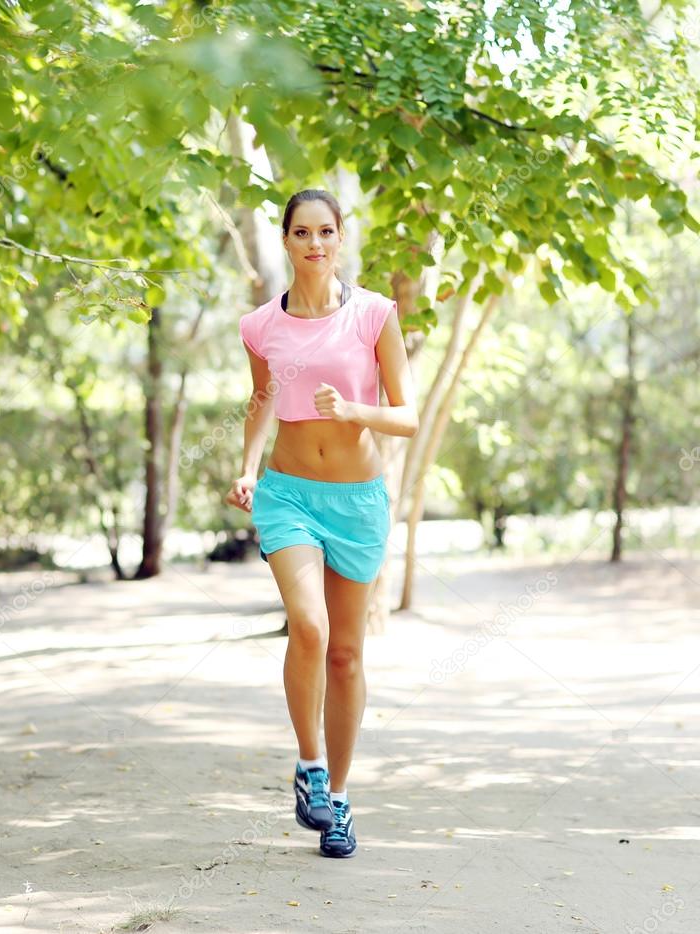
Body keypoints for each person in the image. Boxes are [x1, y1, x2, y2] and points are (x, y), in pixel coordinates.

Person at [224, 189, 418, 858]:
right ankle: (308, 765)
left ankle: (336, 800)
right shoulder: (261, 327)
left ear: (340, 239)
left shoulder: (373, 316)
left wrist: (355, 411)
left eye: (325, 231)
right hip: (289, 496)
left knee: (346, 652)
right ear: (286, 241)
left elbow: (408, 416)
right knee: (309, 626)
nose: (314, 243)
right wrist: (248, 467)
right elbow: (262, 399)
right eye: (302, 232)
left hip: (359, 501)